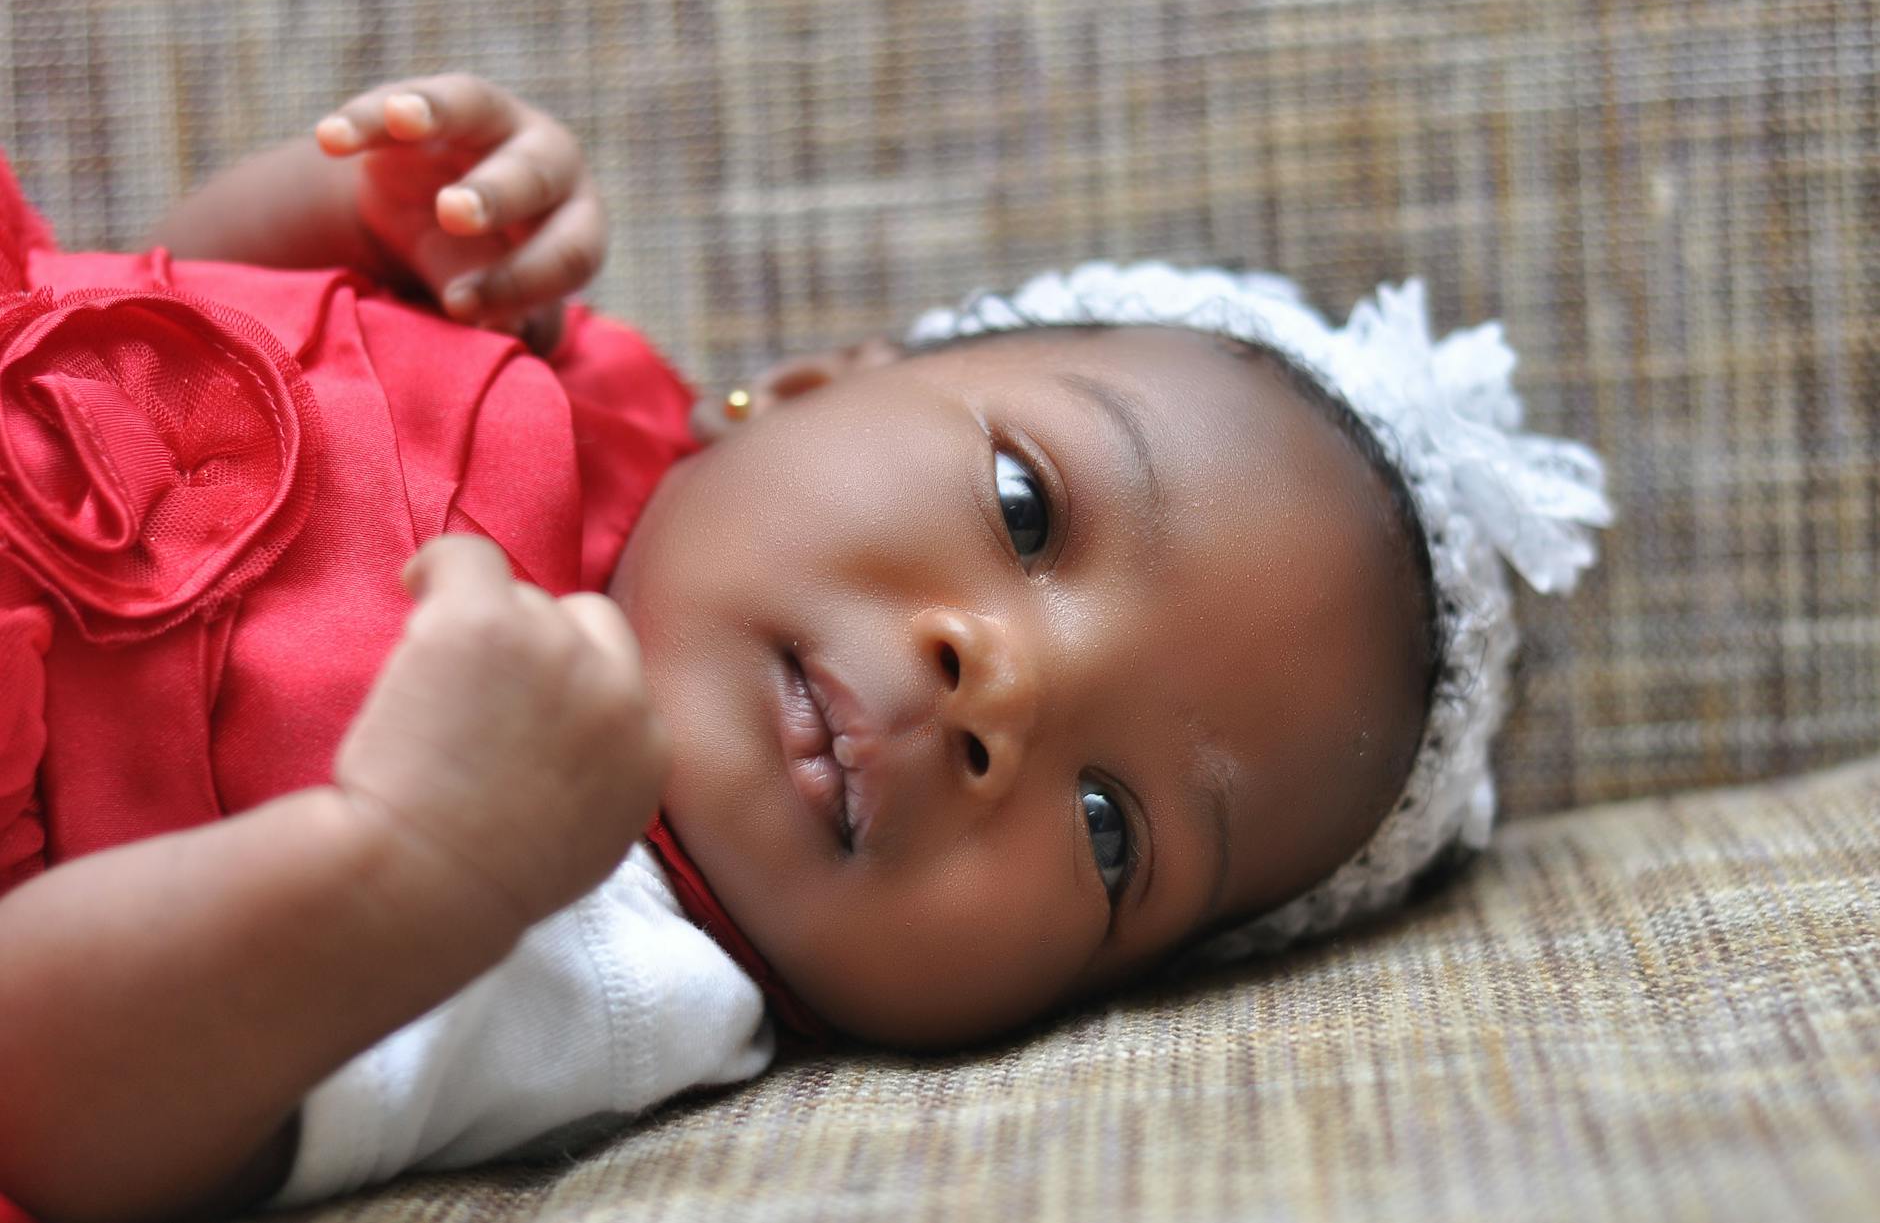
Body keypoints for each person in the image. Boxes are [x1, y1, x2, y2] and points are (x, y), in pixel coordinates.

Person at [0, 74, 1611, 1220]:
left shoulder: (600, 951)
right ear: (822, 379)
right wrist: (340, 225)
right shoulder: (562, 373)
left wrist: (406, 865)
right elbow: (128, 364)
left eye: (1112, 830)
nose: (1005, 695)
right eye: (1025, 507)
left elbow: (54, 1096)